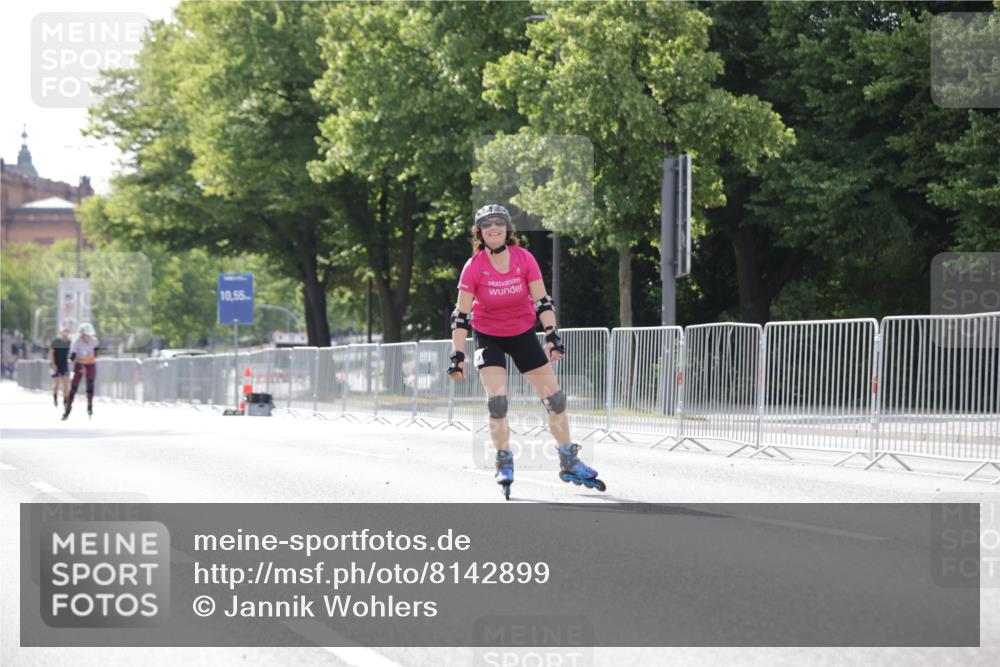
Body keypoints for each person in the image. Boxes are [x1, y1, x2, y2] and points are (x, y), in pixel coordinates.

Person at [447, 204, 605, 498]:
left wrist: (552, 336)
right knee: (497, 402)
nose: (493, 228)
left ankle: (568, 459)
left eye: (499, 223)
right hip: (489, 336)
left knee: (555, 399)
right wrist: (457, 356)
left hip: (522, 334)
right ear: (479, 233)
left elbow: (542, 302)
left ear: (507, 229)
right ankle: (504, 460)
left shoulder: (524, 259)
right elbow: (461, 316)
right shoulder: (474, 266)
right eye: (487, 225)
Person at [62, 323, 99, 420]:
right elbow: (72, 357)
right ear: (82, 335)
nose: (88, 338)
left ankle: (90, 404)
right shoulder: (76, 342)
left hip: (90, 365)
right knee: (74, 387)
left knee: (90, 384)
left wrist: (88, 362)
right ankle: (68, 408)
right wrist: (81, 365)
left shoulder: (94, 341)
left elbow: (95, 355)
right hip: (79, 364)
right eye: (87, 336)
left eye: (90, 336)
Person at [49, 327, 72, 407]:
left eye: (67, 332)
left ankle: (65, 400)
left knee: (66, 383)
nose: (66, 333)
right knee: (57, 383)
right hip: (55, 363)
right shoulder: (55, 341)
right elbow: (51, 353)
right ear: (61, 333)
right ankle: (55, 395)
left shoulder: (69, 342)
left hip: (64, 364)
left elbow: (70, 353)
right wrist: (53, 364)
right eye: (64, 331)